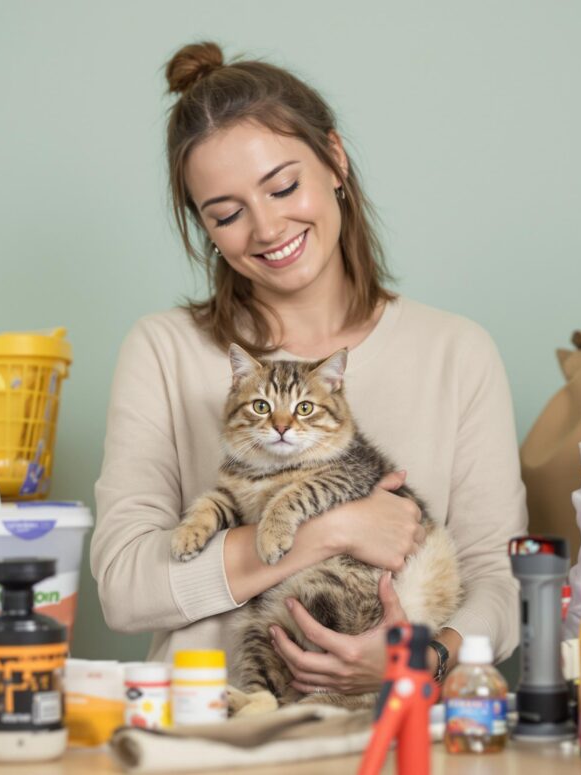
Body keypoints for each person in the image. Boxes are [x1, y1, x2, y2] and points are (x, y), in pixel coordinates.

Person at [91, 41, 527, 695]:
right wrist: (327, 532)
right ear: (205, 228)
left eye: (283, 185)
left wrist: (419, 659)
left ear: (336, 160)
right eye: (228, 213)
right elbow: (125, 586)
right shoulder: (164, 348)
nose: (266, 228)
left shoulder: (457, 352)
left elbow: (498, 578)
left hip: (391, 734)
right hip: (212, 739)